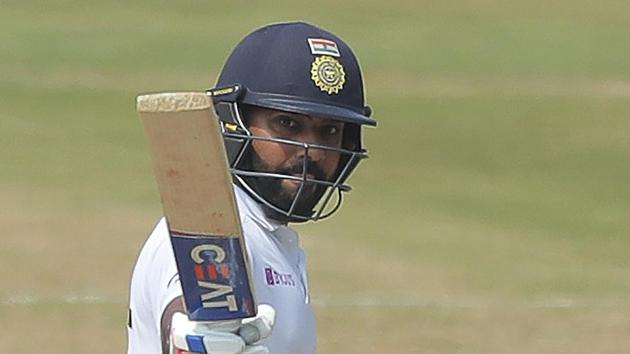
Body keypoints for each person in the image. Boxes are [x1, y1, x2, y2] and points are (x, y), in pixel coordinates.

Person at [127, 21, 376, 354]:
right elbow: (185, 313)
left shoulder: (271, 236)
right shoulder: (211, 232)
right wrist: (195, 340)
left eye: (329, 131)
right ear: (234, 122)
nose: (312, 151)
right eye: (288, 124)